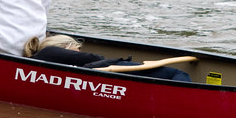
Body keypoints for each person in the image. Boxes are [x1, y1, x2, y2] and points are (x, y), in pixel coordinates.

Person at [23, 34, 192, 82]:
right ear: (65, 46)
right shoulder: (48, 52)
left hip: (113, 69)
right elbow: (93, 57)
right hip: (115, 68)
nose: (79, 50)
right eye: (77, 47)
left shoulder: (47, 56)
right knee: (178, 74)